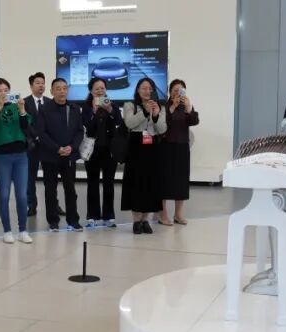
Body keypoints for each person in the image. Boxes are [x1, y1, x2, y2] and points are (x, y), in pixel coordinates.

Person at [0, 78, 33, 244]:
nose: (3, 93)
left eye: (6, 90)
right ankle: (7, 231)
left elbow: (26, 126)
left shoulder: (17, 107)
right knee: (4, 194)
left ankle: (23, 230)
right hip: (1, 157)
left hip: (21, 156)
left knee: (22, 195)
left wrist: (22, 109)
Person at [34, 77, 83, 231]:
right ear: (52, 91)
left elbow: (79, 132)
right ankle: (53, 221)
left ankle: (73, 220)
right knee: (50, 190)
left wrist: (72, 147)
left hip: (69, 156)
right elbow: (41, 133)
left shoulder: (74, 108)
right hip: (50, 156)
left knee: (70, 189)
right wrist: (57, 148)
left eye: (64, 88)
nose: (62, 91)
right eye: (58, 88)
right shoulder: (44, 109)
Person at [121, 77, 167, 235]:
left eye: (150, 89)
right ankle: (136, 220)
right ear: (138, 90)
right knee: (136, 183)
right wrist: (145, 112)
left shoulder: (160, 107)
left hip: (152, 147)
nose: (147, 91)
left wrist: (156, 114)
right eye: (144, 88)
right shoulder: (130, 105)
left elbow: (162, 129)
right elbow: (129, 123)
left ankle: (146, 220)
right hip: (136, 147)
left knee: (150, 183)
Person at [158, 79, 200, 226]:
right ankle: (162, 214)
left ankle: (178, 214)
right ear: (170, 92)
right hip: (166, 147)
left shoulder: (186, 106)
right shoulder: (165, 106)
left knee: (181, 181)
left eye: (181, 90)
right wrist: (172, 107)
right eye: (175, 90)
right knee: (164, 181)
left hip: (182, 147)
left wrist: (188, 107)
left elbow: (194, 121)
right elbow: (162, 123)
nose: (178, 93)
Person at [81, 78, 121, 227]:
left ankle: (108, 216)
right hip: (92, 150)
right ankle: (92, 216)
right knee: (92, 183)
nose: (100, 91)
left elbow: (119, 123)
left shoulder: (113, 106)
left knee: (109, 183)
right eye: (97, 88)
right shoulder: (86, 107)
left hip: (109, 151)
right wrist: (94, 111)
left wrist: (110, 110)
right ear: (91, 91)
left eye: (102, 88)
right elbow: (87, 127)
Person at [22, 73, 47, 217]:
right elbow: (25, 124)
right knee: (30, 176)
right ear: (31, 86)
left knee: (50, 177)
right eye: (37, 83)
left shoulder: (49, 102)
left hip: (48, 145)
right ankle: (31, 205)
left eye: (42, 82)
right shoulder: (24, 103)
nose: (41, 85)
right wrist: (36, 136)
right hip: (31, 145)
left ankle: (54, 204)